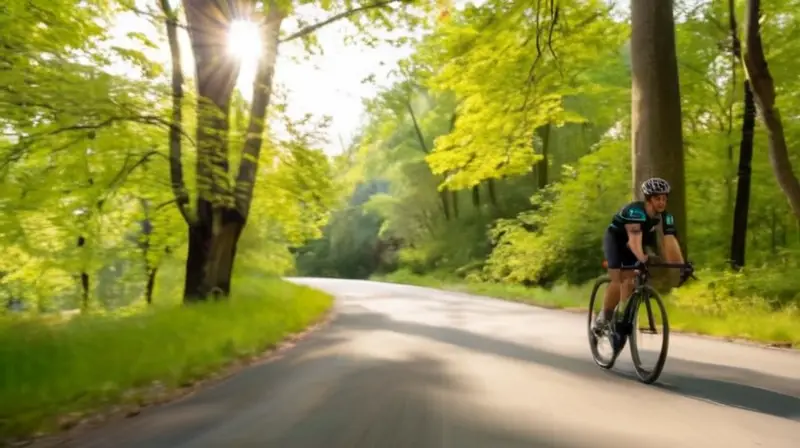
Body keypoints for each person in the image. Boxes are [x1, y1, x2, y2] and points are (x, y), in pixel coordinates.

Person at [593, 177, 685, 332]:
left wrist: (681, 265)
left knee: (636, 275)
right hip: (618, 240)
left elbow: (670, 241)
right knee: (621, 276)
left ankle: (624, 314)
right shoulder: (636, 211)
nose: (662, 202)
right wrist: (642, 258)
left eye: (664, 199)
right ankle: (605, 316)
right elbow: (633, 243)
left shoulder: (666, 217)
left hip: (642, 238)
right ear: (648, 200)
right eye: (657, 198)